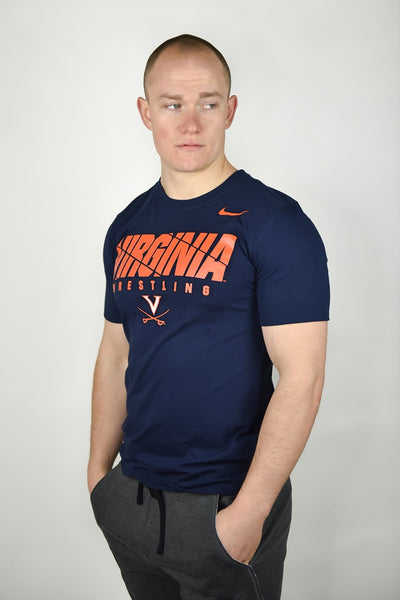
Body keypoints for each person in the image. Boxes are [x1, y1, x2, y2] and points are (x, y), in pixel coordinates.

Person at [88, 34, 330, 600]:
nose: (191, 123)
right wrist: (99, 479)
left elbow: (303, 376)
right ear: (146, 112)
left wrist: (249, 513)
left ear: (231, 110)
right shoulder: (127, 226)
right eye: (172, 104)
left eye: (208, 103)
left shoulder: (274, 223)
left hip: (225, 505)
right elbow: (116, 353)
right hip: (132, 499)